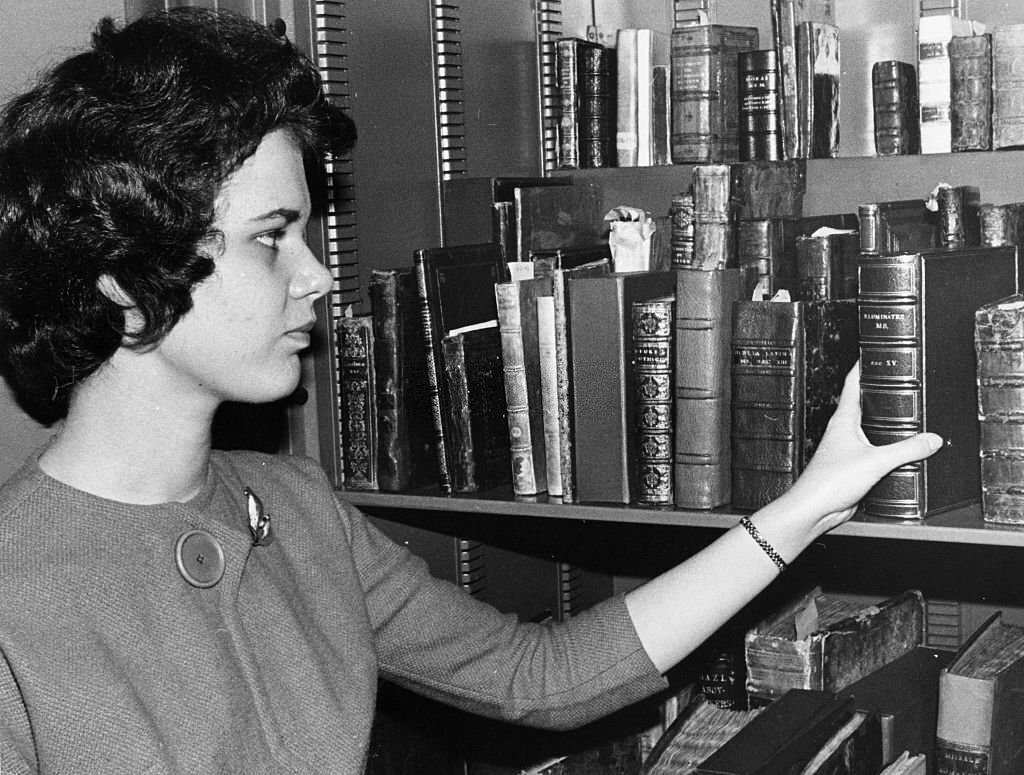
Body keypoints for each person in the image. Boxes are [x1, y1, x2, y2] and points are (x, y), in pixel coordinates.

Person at [0, 8, 942, 774]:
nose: (320, 275)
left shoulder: (294, 508)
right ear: (123, 279)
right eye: (270, 236)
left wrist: (810, 505)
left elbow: (543, 675)